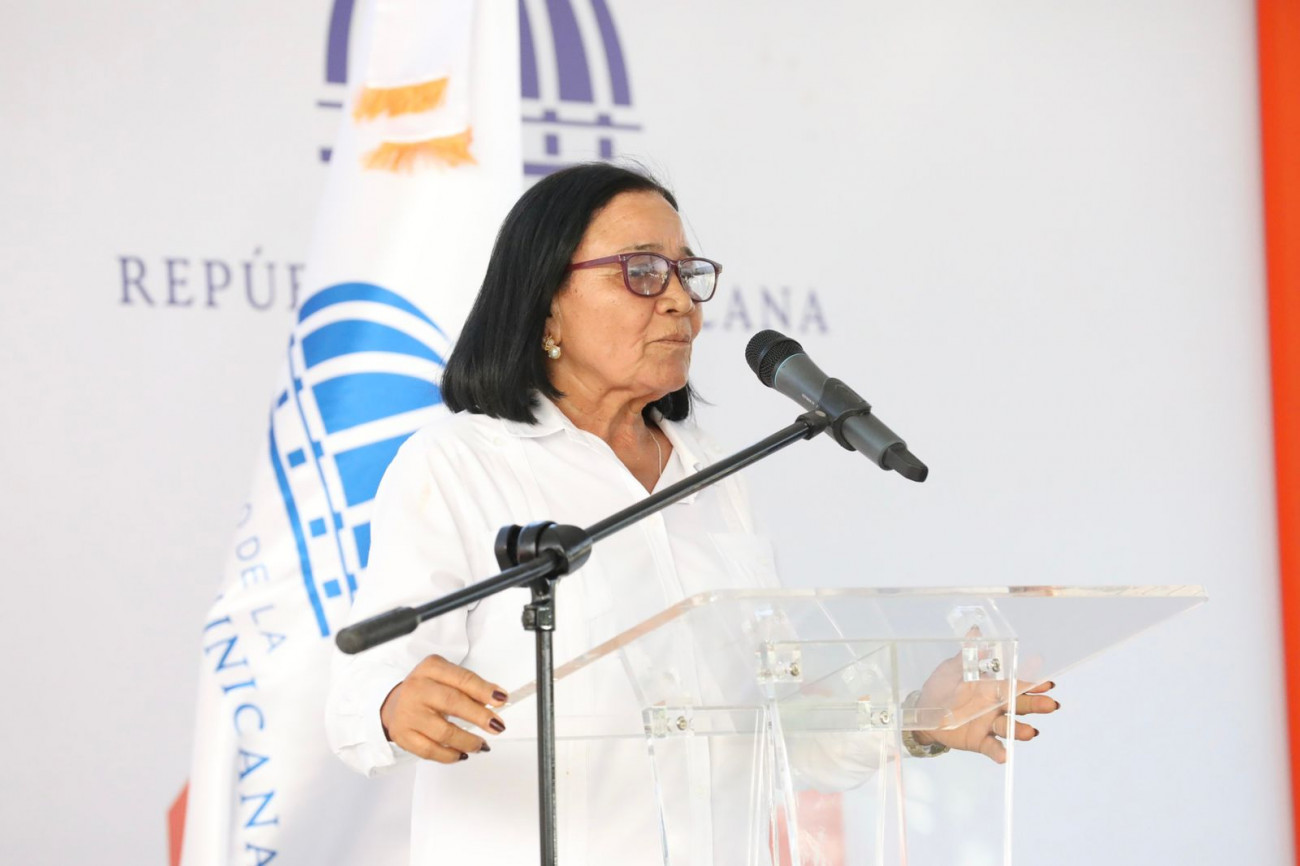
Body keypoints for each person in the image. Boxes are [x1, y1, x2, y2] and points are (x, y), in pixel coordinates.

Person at [325, 163, 1058, 864]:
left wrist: (917, 716)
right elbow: (360, 690)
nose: (680, 301)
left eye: (686, 273)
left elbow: (772, 722)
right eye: (642, 271)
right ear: (546, 301)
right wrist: (393, 704)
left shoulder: (713, 475)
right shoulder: (461, 463)